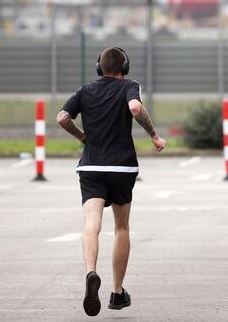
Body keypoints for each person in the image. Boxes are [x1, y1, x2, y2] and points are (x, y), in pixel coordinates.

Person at [57, 46, 166, 317]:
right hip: (122, 168)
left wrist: (82, 137)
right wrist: (153, 135)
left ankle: (91, 272)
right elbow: (135, 107)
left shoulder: (84, 90)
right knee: (121, 227)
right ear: (124, 67)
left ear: (99, 67)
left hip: (92, 166)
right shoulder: (130, 86)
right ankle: (117, 293)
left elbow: (62, 118)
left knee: (91, 224)